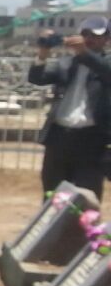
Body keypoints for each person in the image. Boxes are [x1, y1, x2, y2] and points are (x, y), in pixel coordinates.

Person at [29, 15, 111, 200]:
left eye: (95, 35)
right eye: (85, 34)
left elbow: (105, 70)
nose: (89, 39)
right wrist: (43, 52)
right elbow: (37, 78)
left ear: (107, 39)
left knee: (87, 196)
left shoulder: (106, 62)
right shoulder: (66, 63)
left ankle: (83, 221)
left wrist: (83, 53)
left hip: (92, 140)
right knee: (53, 194)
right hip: (59, 137)